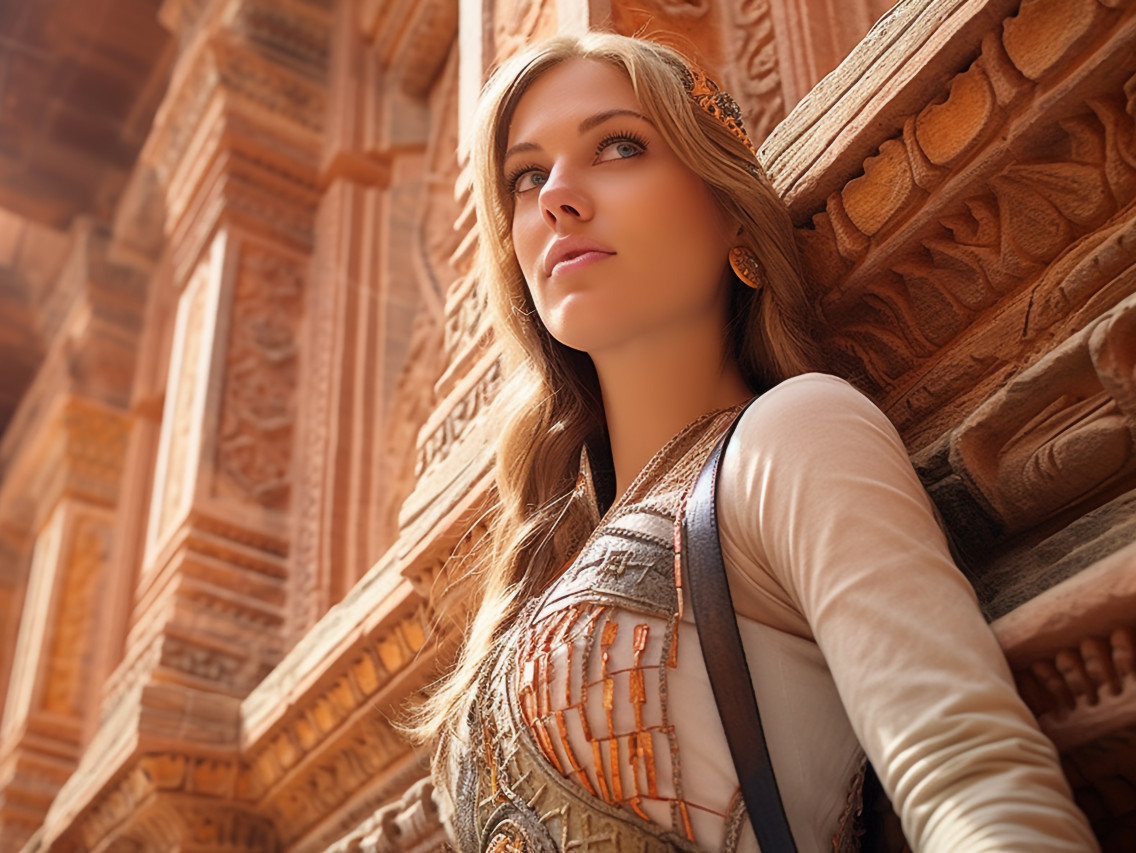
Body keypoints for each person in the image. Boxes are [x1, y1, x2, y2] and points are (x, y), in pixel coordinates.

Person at [406, 31, 1099, 853]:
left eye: (619, 147)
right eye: (526, 176)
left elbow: (975, 782)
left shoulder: (792, 433)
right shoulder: (541, 569)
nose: (556, 195)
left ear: (731, 212)